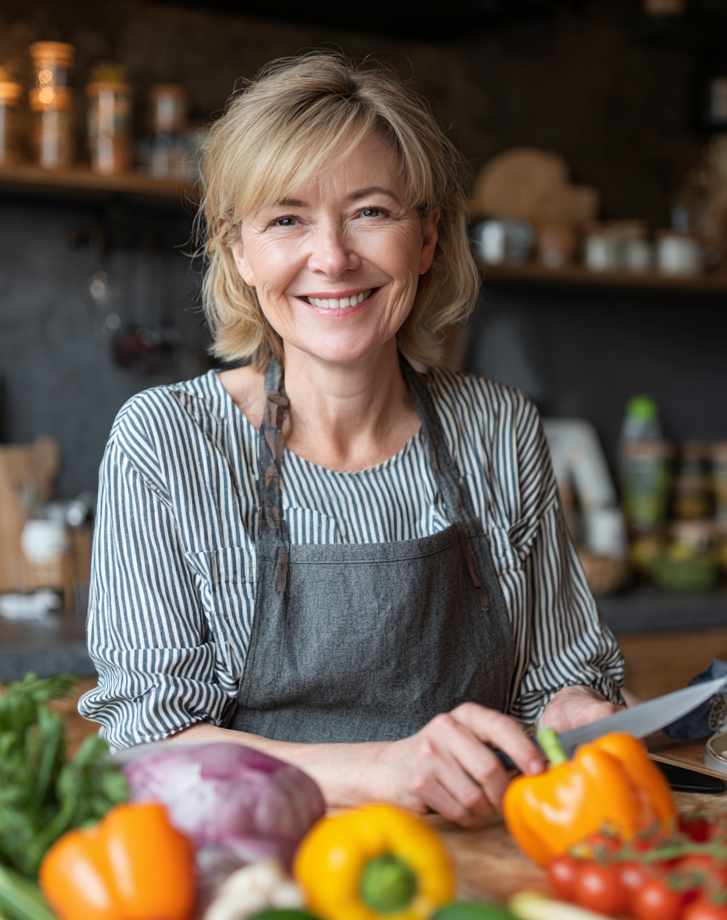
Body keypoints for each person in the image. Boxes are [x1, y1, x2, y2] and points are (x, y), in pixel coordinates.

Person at [80, 53, 625, 827]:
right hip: (259, 881)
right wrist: (382, 771)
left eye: (371, 212)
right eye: (287, 219)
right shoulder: (168, 443)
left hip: (486, 867)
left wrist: (575, 708)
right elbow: (150, 749)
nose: (332, 257)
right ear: (240, 252)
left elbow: (558, 676)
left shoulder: (501, 431)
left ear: (429, 236)